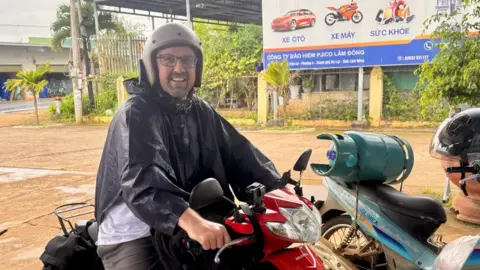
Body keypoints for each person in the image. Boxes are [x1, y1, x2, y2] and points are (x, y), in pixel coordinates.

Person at [94, 22, 281, 270]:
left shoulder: (200, 110)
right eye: (168, 59)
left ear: (197, 67)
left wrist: (279, 190)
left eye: (188, 60)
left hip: (187, 223)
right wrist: (191, 221)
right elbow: (141, 179)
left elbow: (242, 156)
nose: (179, 68)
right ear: (152, 65)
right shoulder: (136, 114)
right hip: (134, 233)